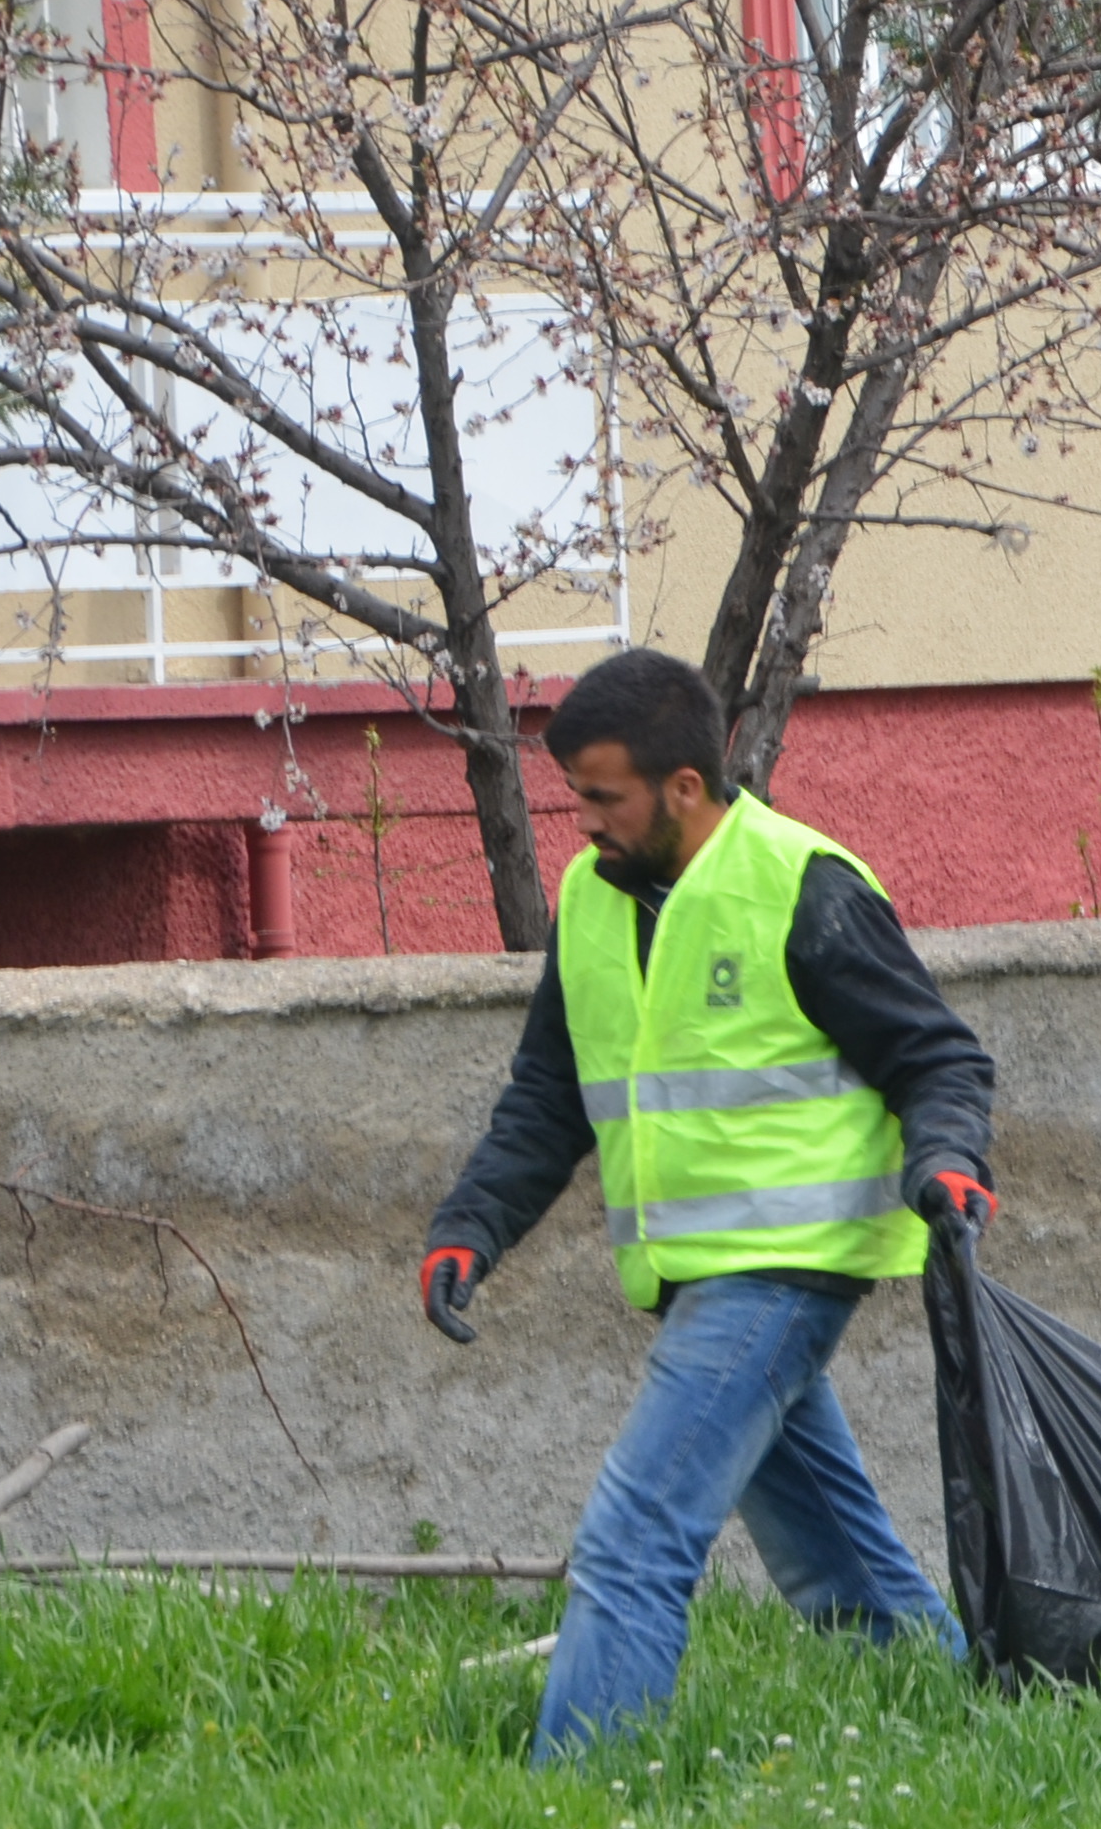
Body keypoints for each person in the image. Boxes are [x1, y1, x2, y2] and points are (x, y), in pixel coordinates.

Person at [419, 650, 1000, 1762]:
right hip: (694, 1278)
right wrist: (470, 1228)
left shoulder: (802, 883)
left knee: (636, 1534)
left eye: (601, 796)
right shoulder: (590, 902)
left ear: (683, 785)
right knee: (830, 1551)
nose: (578, 821)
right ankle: (960, 1717)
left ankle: (575, 1794)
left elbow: (938, 1058)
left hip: (787, 1266)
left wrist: (948, 1160)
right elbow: (551, 1096)